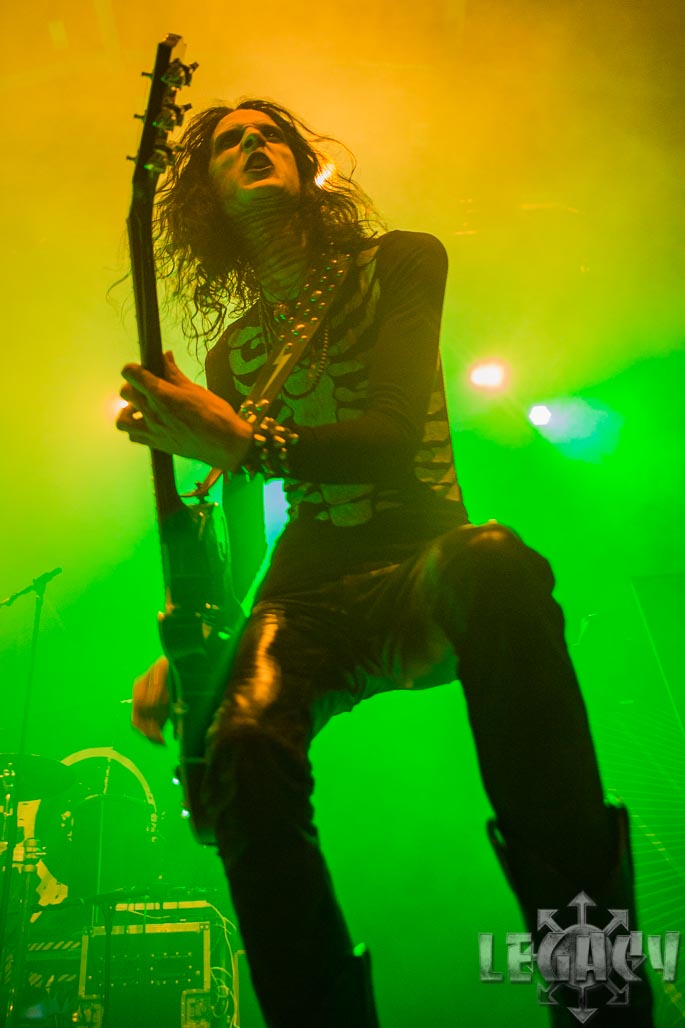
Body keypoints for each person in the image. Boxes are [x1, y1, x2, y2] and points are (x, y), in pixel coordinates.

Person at [117, 99, 654, 1027]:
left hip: (423, 562)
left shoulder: (401, 260)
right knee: (240, 742)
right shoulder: (235, 351)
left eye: (268, 133)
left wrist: (247, 442)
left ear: (304, 166)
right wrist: (204, 645)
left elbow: (391, 433)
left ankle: (599, 994)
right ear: (205, 198)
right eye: (229, 142)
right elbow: (251, 538)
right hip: (307, 589)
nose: (252, 143)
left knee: (495, 563)